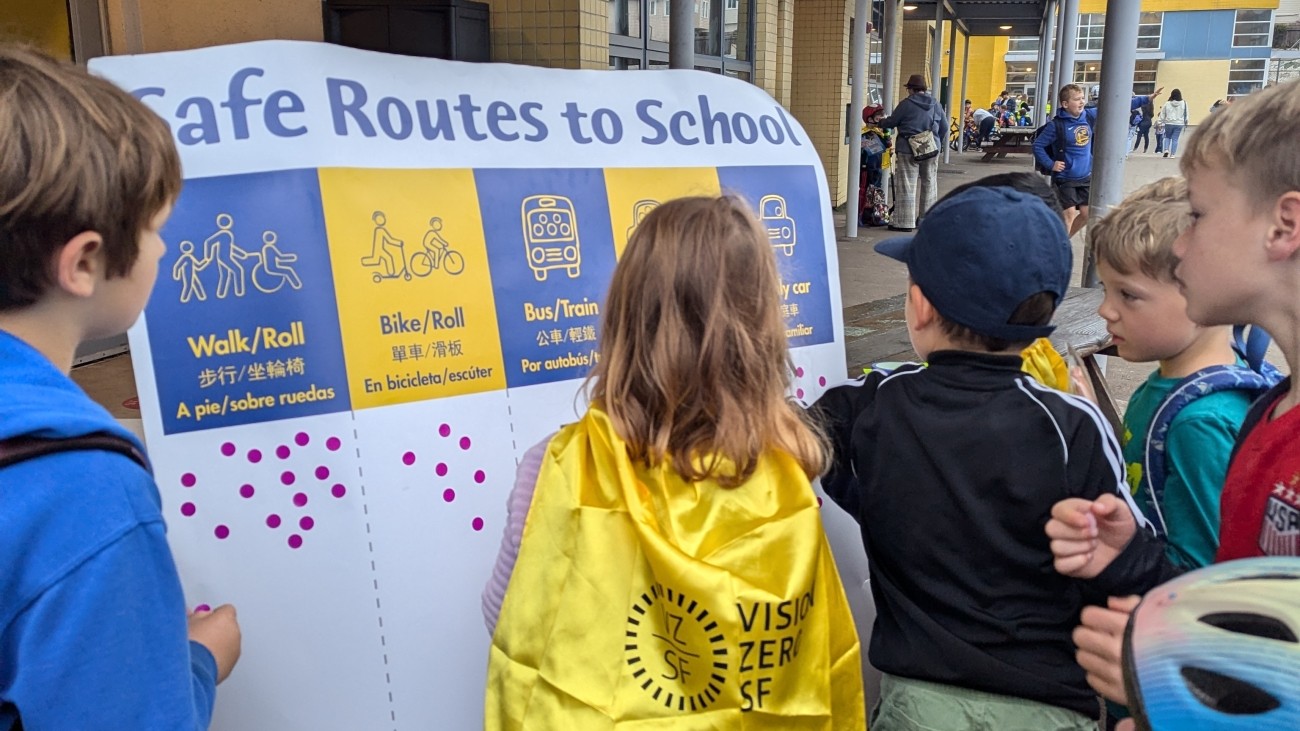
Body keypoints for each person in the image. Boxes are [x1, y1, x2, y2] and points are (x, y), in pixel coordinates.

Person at [482, 196, 866, 729]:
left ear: (624, 317)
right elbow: (801, 643)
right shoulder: (786, 468)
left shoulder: (561, 466)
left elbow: (511, 613)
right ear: (762, 330)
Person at [811, 185, 1154, 731]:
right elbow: (1130, 566)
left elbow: (797, 443)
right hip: (1050, 708)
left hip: (917, 707)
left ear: (919, 306)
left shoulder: (872, 405)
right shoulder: (1073, 425)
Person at [0, 45, 241, 728]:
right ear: (85, 261)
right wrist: (198, 662)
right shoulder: (81, 490)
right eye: (156, 229)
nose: (164, 250)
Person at [1045, 79, 1300, 711]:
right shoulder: (1270, 411)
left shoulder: (1220, 419)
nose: (1181, 244)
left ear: (1284, 226)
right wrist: (1133, 554)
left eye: (1202, 216)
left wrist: (1165, 661)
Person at [1089, 176, 1271, 571]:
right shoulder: (1171, 386)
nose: (1106, 310)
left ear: (1206, 291)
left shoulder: (1199, 424)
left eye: (1128, 294)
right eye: (1106, 290)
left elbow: (1200, 571)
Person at [1034, 83, 1162, 238]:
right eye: (1077, 99)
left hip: (1085, 176)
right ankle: (1062, 248)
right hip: (1065, 178)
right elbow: (1038, 145)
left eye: (1082, 98)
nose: (1081, 102)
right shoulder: (1056, 125)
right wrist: (1051, 164)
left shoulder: (1088, 116)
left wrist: (1146, 99)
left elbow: (1115, 106)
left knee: (1087, 214)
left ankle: (1064, 240)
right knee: (1068, 214)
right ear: (1065, 104)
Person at [877, 73, 946, 232]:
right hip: (930, 147)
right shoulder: (935, 104)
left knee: (907, 184)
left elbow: (892, 122)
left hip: (908, 148)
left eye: (908, 89)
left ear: (911, 89)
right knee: (929, 183)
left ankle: (905, 223)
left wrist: (881, 121)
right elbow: (945, 127)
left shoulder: (906, 104)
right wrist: (935, 141)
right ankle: (926, 221)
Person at [860, 105, 892, 227]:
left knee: (876, 191)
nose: (882, 118)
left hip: (877, 167)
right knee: (867, 191)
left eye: (882, 115)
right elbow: (873, 150)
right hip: (868, 168)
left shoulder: (880, 132)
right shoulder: (866, 134)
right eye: (878, 115)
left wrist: (887, 137)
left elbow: (885, 147)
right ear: (870, 118)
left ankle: (875, 214)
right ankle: (864, 215)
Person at [1158, 89, 1188, 158]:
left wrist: (1159, 122)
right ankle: (1173, 154)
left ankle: (1166, 150)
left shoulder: (1167, 103)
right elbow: (1186, 114)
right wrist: (1186, 121)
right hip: (1179, 124)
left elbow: (1162, 113)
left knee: (1167, 137)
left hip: (1169, 123)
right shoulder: (1184, 103)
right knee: (1175, 139)